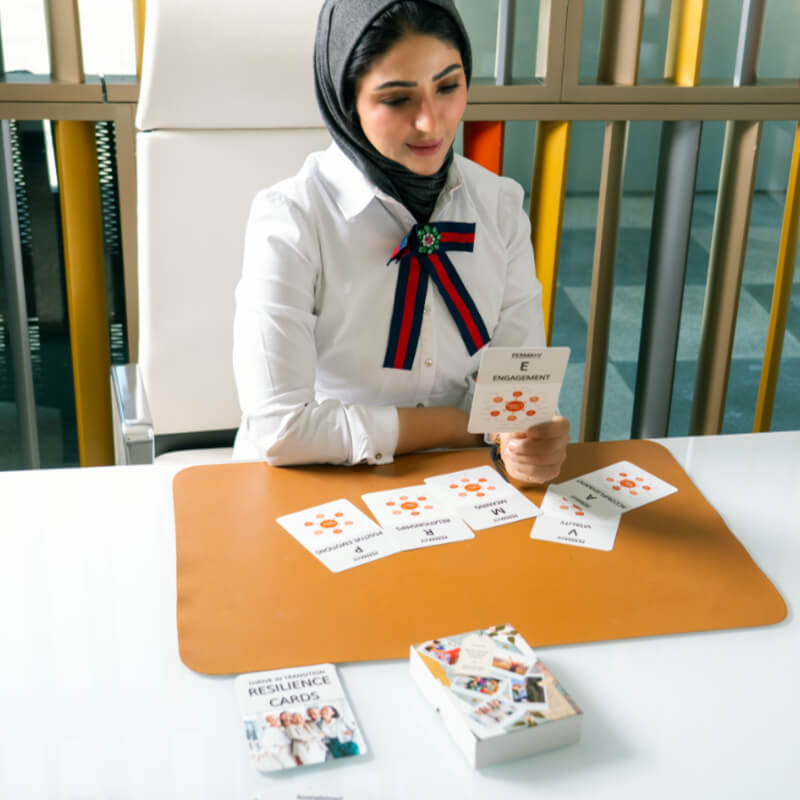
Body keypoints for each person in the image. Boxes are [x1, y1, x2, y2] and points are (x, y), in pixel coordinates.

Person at [232, 0, 569, 485]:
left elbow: (518, 391)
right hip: (311, 480)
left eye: (449, 86)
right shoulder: (290, 220)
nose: (431, 123)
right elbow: (280, 430)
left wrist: (530, 441)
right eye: (396, 99)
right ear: (347, 101)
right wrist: (461, 426)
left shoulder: (498, 205)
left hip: (459, 476)